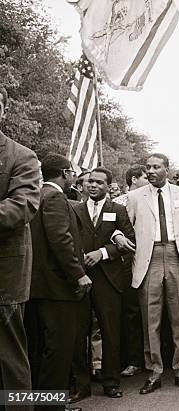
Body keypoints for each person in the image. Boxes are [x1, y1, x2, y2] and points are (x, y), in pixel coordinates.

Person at [126, 153, 179, 394]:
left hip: (177, 255)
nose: (151, 171)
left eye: (156, 167)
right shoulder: (134, 197)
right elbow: (125, 227)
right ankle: (154, 371)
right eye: (148, 167)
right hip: (149, 256)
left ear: (167, 169)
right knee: (150, 318)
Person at [27, 153, 92, 404]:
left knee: (40, 348)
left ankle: (37, 402)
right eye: (73, 173)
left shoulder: (37, 195)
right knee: (59, 351)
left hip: (38, 287)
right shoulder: (54, 197)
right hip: (57, 288)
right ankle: (51, 406)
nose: (75, 177)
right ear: (65, 173)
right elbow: (60, 239)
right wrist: (78, 274)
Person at [72, 167, 135, 399]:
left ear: (108, 186)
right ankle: (81, 385)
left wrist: (103, 252)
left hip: (109, 279)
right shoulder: (74, 209)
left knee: (110, 332)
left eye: (99, 182)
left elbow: (131, 242)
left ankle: (111, 382)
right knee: (79, 333)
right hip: (80, 276)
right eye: (90, 182)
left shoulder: (118, 210)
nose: (93, 185)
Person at [0, 86, 40, 408]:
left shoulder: (22, 156)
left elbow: (22, 205)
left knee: (9, 357)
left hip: (5, 274)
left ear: (3, 110)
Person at [113, 165, 147, 378]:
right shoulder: (119, 202)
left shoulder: (151, 198)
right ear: (134, 179)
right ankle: (133, 359)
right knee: (130, 310)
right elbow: (109, 227)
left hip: (150, 259)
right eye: (144, 176)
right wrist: (116, 235)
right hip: (125, 262)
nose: (149, 178)